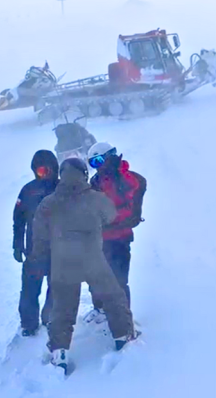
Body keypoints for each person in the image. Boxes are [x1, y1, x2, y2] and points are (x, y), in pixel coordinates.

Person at [28, 157, 138, 373]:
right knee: (113, 297)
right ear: (84, 174)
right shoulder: (96, 198)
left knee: (62, 309)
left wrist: (39, 259)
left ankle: (59, 353)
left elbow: (39, 237)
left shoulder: (48, 203)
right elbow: (111, 216)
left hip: (62, 261)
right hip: (92, 257)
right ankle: (123, 335)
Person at [82, 142, 147, 324]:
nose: (98, 166)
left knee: (118, 280)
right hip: (98, 240)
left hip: (119, 238)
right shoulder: (96, 181)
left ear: (109, 157)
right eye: (93, 163)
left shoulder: (125, 178)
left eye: (100, 161)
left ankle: (125, 318)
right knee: (95, 276)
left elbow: (128, 209)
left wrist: (106, 221)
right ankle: (101, 309)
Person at [13, 150, 59, 336]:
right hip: (34, 250)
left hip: (59, 250)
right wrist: (17, 244)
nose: (44, 175)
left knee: (57, 288)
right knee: (29, 290)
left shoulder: (63, 188)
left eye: (47, 170)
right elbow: (18, 220)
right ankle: (28, 324)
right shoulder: (28, 190)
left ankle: (51, 318)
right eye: (40, 171)